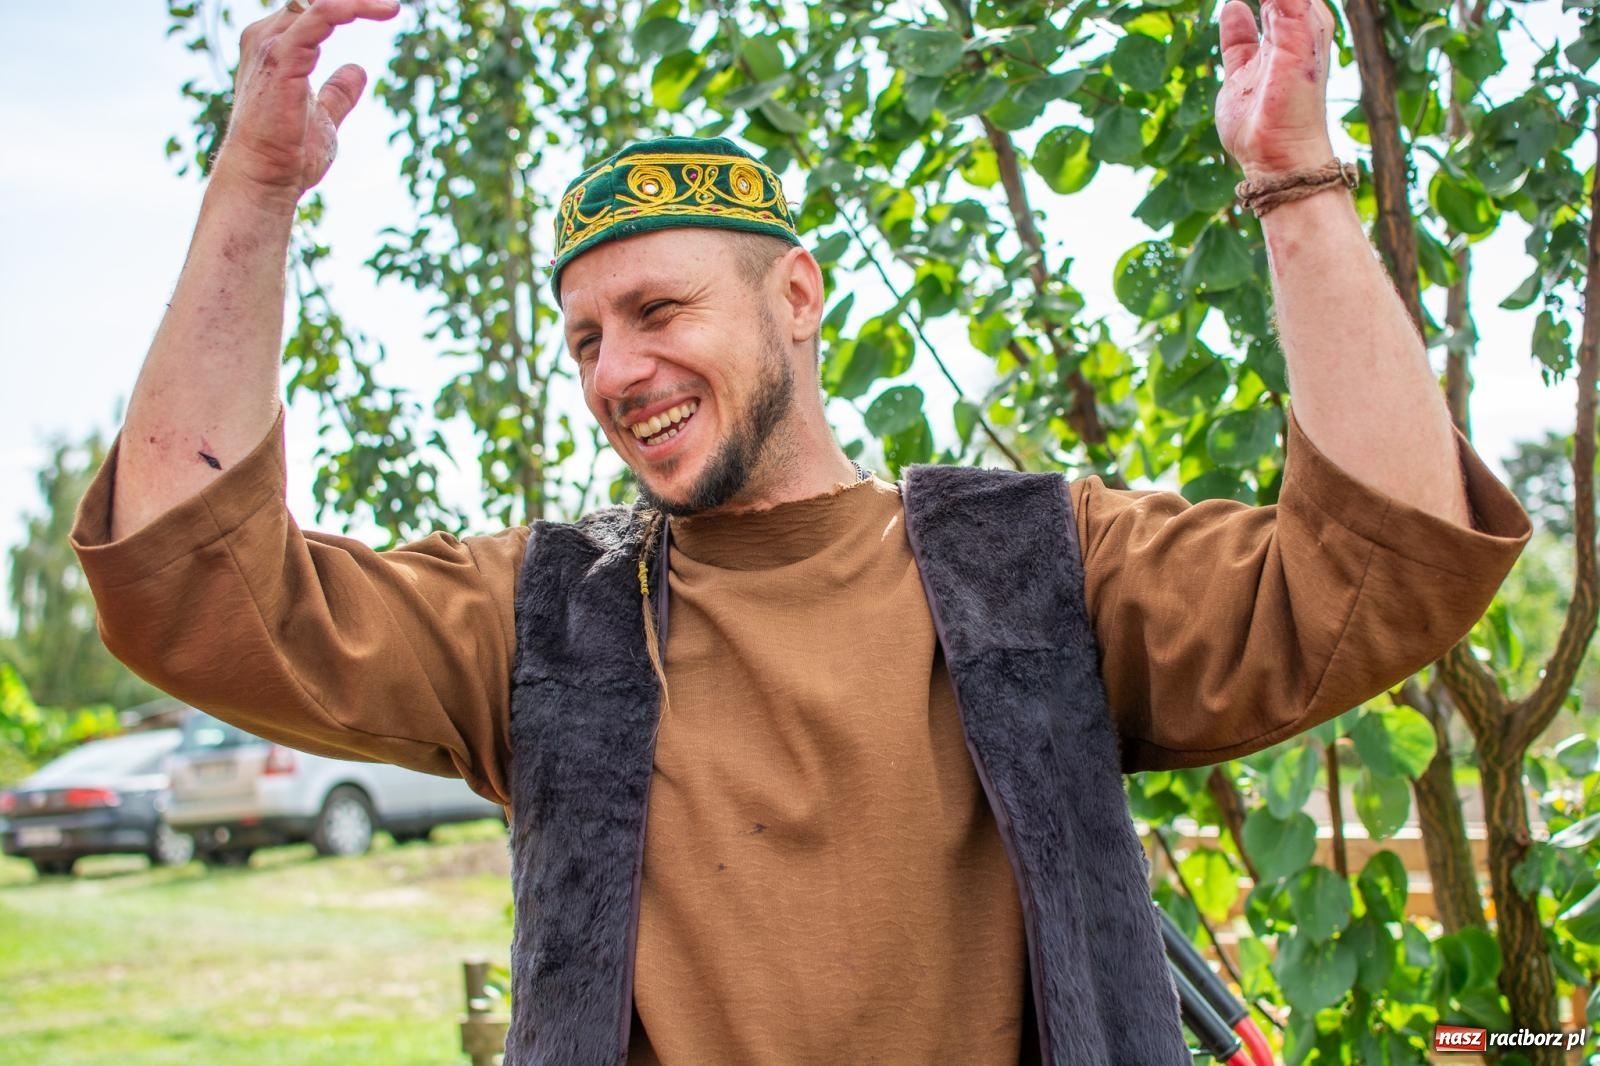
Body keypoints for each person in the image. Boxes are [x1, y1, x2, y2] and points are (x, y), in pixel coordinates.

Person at [71, 0, 1530, 1062]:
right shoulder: (540, 613)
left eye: (657, 313)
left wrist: (1291, 180)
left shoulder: (1041, 566)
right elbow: (194, 590)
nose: (615, 372)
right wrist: (255, 193)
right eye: (582, 337)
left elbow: (1384, 561)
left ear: (798, 302)